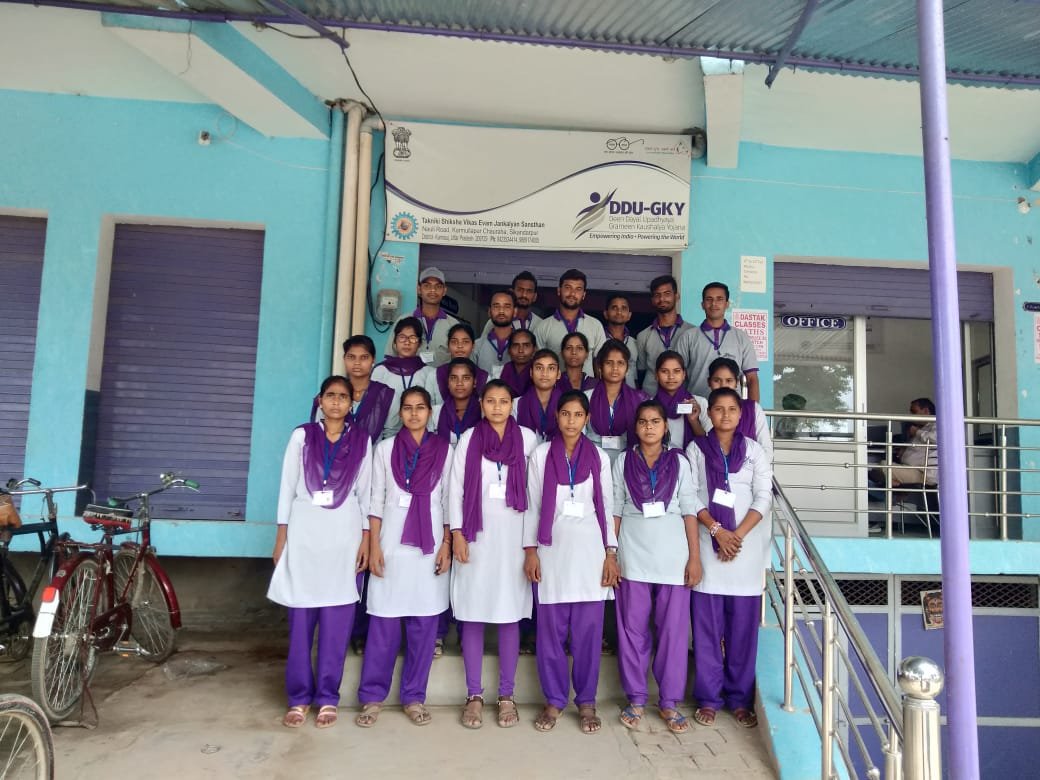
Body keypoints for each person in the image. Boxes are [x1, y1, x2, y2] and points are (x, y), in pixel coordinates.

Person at [268, 375, 372, 729]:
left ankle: (328, 696)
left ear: (351, 403)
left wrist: (365, 538)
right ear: (320, 400)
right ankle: (298, 697)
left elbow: (366, 494)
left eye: (343, 396)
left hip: (343, 538)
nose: (336, 402)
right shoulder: (302, 436)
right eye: (331, 395)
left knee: (336, 623)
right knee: (301, 622)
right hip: (304, 535)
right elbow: (287, 487)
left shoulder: (362, 440)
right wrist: (281, 536)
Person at [356, 387, 452, 728]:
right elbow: (376, 499)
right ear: (400, 413)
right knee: (383, 623)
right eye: (408, 408)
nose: (414, 414)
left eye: (420, 407)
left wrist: (447, 544)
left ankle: (414, 697)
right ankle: (372, 698)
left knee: (424, 626)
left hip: (430, 547)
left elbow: (449, 500)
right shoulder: (384, 449)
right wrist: (374, 546)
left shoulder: (445, 450)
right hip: (391, 544)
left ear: (429, 413)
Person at [524, 390, 618, 734]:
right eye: (565, 414)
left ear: (587, 419)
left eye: (578, 415)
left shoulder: (599, 457)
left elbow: (607, 505)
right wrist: (530, 551)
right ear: (557, 416)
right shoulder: (541, 454)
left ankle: (587, 701)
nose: (571, 421)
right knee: (550, 635)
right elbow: (533, 505)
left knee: (587, 637)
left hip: (590, 556)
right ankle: (554, 700)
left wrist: (611, 553)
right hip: (552, 555)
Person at [448, 380, 539, 730]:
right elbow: (455, 490)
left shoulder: (528, 439)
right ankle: (474, 694)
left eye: (503, 401)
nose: (497, 407)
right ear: (481, 404)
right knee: (472, 613)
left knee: (508, 613)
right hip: (476, 538)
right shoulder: (469, 439)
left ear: (512, 405)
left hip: (514, 539)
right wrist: (457, 533)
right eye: (490, 401)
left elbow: (536, 493)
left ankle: (506, 695)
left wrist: (530, 545)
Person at [686, 387, 772, 730]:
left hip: (744, 552)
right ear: (709, 413)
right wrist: (717, 531)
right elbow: (690, 495)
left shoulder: (754, 451)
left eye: (731, 409)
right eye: (718, 409)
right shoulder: (696, 449)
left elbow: (764, 496)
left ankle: (738, 699)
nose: (724, 415)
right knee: (707, 633)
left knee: (742, 634)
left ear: (740, 414)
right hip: (709, 549)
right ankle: (708, 699)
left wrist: (736, 535)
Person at [613, 400, 701, 734]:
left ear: (665, 427)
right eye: (643, 422)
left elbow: (689, 510)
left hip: (673, 558)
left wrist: (694, 558)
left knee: (673, 633)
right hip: (633, 556)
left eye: (655, 421)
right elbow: (616, 507)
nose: (649, 427)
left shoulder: (679, 461)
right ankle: (636, 697)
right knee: (632, 630)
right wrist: (610, 553)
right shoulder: (623, 461)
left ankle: (669, 701)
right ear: (635, 427)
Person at [674, 282, 760, 401]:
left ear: (727, 304)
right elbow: (677, 376)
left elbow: (752, 378)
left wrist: (752, 409)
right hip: (696, 406)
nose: (714, 304)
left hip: (731, 408)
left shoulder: (741, 337)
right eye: (709, 299)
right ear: (702, 305)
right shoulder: (688, 337)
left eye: (719, 299)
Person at [371, 317, 441, 440]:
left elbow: (433, 411)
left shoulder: (429, 373)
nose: (407, 342)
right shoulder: (381, 371)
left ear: (419, 343)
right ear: (394, 342)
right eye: (402, 337)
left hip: (420, 438)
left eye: (412, 338)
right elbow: (374, 411)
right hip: (387, 437)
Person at [696, 357, 773, 461]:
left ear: (736, 382)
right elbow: (703, 448)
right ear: (709, 382)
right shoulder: (702, 408)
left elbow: (767, 452)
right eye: (717, 380)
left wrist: (748, 468)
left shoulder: (753, 409)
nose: (723, 386)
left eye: (729, 381)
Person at [585, 340, 648, 465]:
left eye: (620, 363)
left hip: (628, 460)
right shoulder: (586, 398)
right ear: (600, 367)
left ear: (627, 368)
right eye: (609, 363)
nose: (615, 368)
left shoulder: (641, 400)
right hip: (592, 458)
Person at [533, 269, 605, 374]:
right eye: (568, 288)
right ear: (559, 291)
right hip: (555, 384)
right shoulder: (543, 327)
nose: (572, 293)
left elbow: (600, 363)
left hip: (587, 385)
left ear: (584, 294)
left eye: (578, 289)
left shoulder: (595, 325)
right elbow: (537, 363)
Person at [384, 267, 459, 366]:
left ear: (444, 291)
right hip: (409, 375)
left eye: (438, 286)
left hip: (441, 376)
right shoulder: (403, 320)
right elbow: (390, 357)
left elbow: (460, 361)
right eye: (427, 286)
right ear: (419, 289)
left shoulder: (453, 325)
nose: (433, 290)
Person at [636, 275, 694, 396]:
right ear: (652, 300)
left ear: (677, 296)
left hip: (682, 398)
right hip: (651, 396)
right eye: (657, 295)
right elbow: (641, 371)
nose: (662, 299)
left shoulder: (692, 332)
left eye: (667, 294)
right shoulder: (643, 336)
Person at [339, 335, 395, 444]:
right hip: (334, 454)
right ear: (344, 359)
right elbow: (321, 431)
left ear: (373, 359)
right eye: (351, 357)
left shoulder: (385, 395)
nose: (357, 362)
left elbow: (391, 436)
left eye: (364, 357)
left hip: (374, 453)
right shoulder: (332, 393)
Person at [878, 397, 939, 486]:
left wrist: (917, 432)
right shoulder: (923, 428)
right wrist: (904, 450)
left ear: (926, 411)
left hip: (923, 473)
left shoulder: (936, 425)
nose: (911, 415)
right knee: (881, 466)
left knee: (884, 467)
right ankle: (894, 485)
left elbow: (936, 438)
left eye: (914, 411)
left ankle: (896, 487)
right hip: (911, 468)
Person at [653, 350, 701, 450]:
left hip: (691, 457)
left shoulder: (699, 403)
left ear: (684, 375)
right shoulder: (650, 406)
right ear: (656, 375)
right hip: (661, 458)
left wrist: (693, 421)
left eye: (677, 371)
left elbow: (707, 441)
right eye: (664, 371)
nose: (671, 376)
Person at [515, 349, 563, 443]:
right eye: (539, 368)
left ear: (558, 374)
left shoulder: (568, 405)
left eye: (551, 368)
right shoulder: (516, 404)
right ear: (531, 373)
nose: (544, 373)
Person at [432, 358, 483, 447]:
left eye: (466, 378)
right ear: (448, 382)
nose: (459, 383)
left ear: (474, 382)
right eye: (454, 378)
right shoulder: (435, 413)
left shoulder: (484, 412)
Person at [479, 270, 543, 337]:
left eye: (529, 291)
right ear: (511, 292)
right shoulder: (496, 321)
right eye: (520, 290)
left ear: (535, 296)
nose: (524, 295)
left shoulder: (540, 324)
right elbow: (483, 343)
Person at [435, 323, 488, 401]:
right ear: (448, 345)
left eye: (465, 342)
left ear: (473, 346)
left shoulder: (484, 377)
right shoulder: (434, 375)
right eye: (454, 342)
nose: (460, 346)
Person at [473, 290, 517, 374]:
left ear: (515, 312)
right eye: (496, 306)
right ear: (489, 312)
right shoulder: (477, 346)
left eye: (507, 306)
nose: (501, 311)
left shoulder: (523, 346)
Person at [603, 294, 639, 388]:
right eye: (614, 308)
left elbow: (635, 376)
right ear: (606, 314)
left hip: (630, 393)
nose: (619, 312)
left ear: (629, 315)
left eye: (623, 308)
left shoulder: (634, 343)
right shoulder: (599, 340)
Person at [497, 328, 536, 397]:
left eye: (526, 345)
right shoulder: (500, 371)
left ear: (534, 349)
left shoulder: (540, 372)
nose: (520, 350)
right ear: (509, 350)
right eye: (515, 346)